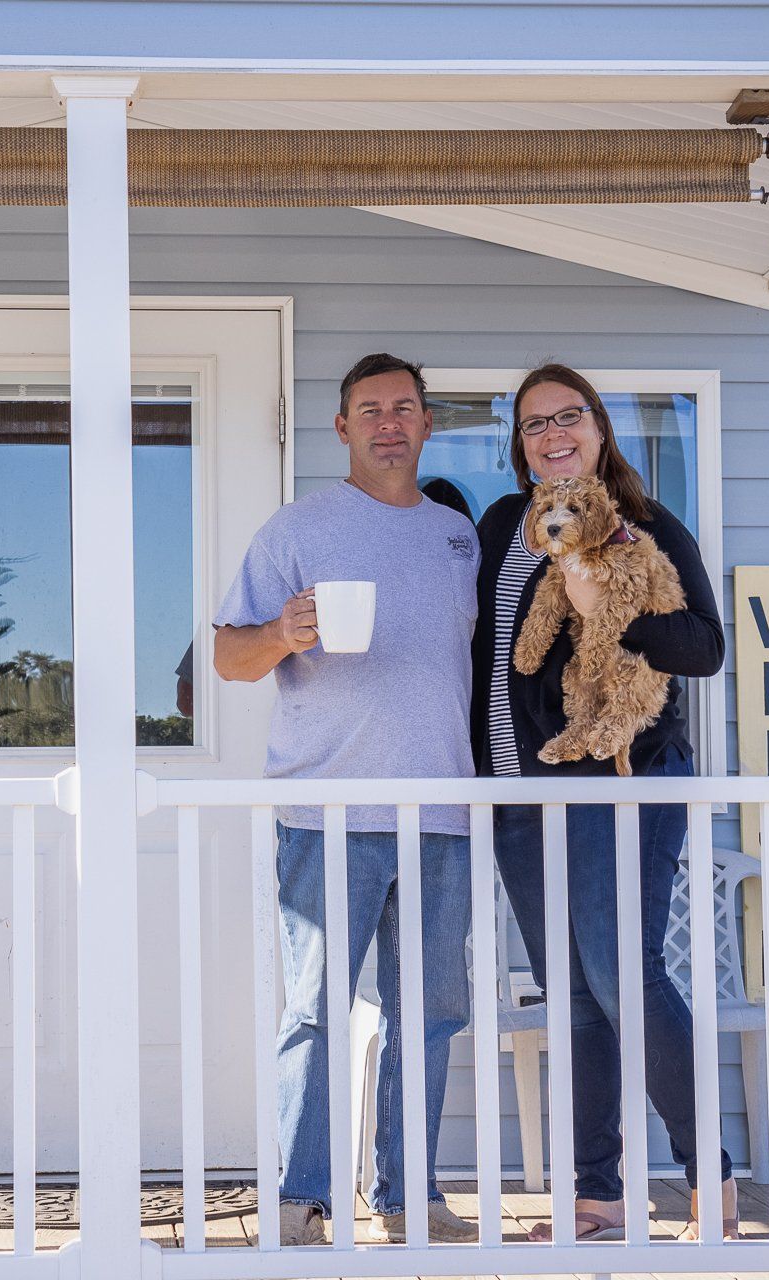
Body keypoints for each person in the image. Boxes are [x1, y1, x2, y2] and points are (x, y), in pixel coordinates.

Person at [214, 352, 480, 1246]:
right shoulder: (296, 528)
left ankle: (409, 1196)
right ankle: (302, 1196)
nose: (389, 423)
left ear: (426, 422)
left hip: (442, 813)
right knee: (316, 1012)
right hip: (327, 812)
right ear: (342, 428)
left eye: (405, 407)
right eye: (370, 409)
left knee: (432, 1015)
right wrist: (280, 632)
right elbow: (226, 657)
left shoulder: (458, 535)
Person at [471, 363, 736, 1241]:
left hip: (620, 780)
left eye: (568, 416)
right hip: (521, 791)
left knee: (625, 977)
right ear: (520, 444)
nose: (552, 433)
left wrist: (605, 610)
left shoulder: (646, 525)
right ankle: (595, 1201)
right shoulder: (506, 523)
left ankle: (711, 1182)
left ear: (597, 428)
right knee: (570, 997)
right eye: (534, 423)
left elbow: (702, 647)